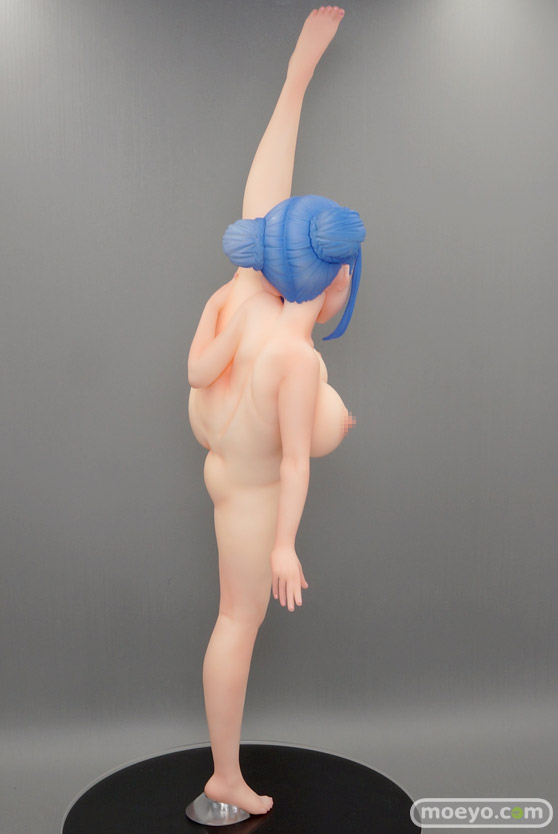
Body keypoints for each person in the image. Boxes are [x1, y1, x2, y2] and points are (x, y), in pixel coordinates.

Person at [187, 7, 365, 817]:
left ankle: (225, 773)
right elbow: (296, 460)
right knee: (237, 619)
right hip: (254, 497)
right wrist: (286, 545)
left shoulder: (246, 287)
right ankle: (224, 777)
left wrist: (299, 73)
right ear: (332, 279)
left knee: (234, 620)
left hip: (227, 466)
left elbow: (268, 190)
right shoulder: (296, 359)